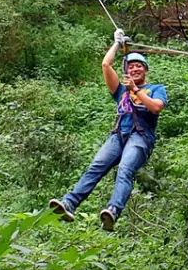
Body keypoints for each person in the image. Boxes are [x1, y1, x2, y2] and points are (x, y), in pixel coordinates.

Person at [49, 29, 168, 231]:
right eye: (131, 66)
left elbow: (156, 107)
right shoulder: (120, 90)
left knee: (125, 169)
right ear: (126, 71)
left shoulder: (156, 88)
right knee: (96, 166)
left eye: (139, 66)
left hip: (140, 138)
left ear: (145, 70)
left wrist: (136, 91)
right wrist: (116, 43)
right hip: (119, 136)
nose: (135, 69)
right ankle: (69, 203)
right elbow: (106, 65)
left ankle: (113, 210)